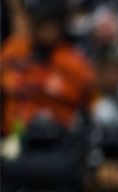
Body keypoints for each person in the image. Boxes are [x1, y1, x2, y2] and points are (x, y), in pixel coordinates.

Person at [0, 0, 96, 135]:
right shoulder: (16, 49)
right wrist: (17, 82)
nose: (48, 31)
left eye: (53, 26)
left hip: (59, 138)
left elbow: (87, 98)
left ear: (62, 26)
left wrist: (47, 85)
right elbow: (5, 79)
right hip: (15, 135)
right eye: (43, 25)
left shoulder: (73, 61)